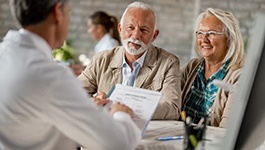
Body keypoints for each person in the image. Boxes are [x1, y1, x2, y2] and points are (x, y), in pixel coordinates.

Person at [0, 0, 141, 150]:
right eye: (69, 13)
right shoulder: (50, 76)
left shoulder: (4, 53)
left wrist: (84, 106)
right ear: (57, 12)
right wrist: (121, 114)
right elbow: (118, 143)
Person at [78, 1, 182, 120]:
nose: (136, 35)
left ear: (154, 36)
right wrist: (93, 101)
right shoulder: (101, 59)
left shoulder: (169, 63)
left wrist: (127, 109)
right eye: (130, 28)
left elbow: (172, 108)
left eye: (144, 30)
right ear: (120, 29)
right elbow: (73, 93)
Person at [181, 8, 245, 127]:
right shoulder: (192, 67)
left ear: (229, 39)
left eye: (211, 33)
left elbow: (225, 130)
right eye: (200, 33)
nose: (204, 40)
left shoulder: (238, 77)